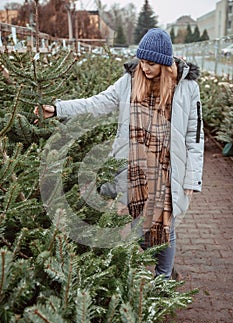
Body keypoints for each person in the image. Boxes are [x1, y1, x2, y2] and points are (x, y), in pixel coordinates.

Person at [35, 28, 204, 280]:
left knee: (163, 225)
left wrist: (192, 179)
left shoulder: (187, 87)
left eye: (150, 63)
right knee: (140, 227)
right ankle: (157, 258)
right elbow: (97, 103)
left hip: (167, 167)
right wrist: (58, 108)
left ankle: (163, 278)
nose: (144, 67)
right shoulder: (129, 80)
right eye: (142, 61)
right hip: (132, 166)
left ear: (165, 62)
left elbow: (195, 135)